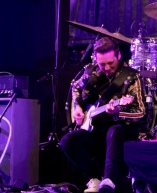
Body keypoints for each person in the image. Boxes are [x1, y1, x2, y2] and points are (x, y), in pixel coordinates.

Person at [61, 36, 145, 193]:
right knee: (67, 141)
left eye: (110, 63)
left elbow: (140, 111)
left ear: (118, 55)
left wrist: (118, 111)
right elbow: (76, 88)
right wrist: (78, 107)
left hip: (120, 130)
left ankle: (109, 182)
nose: (106, 67)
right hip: (94, 130)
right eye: (102, 64)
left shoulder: (131, 76)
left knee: (115, 131)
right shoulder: (90, 71)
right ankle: (95, 177)